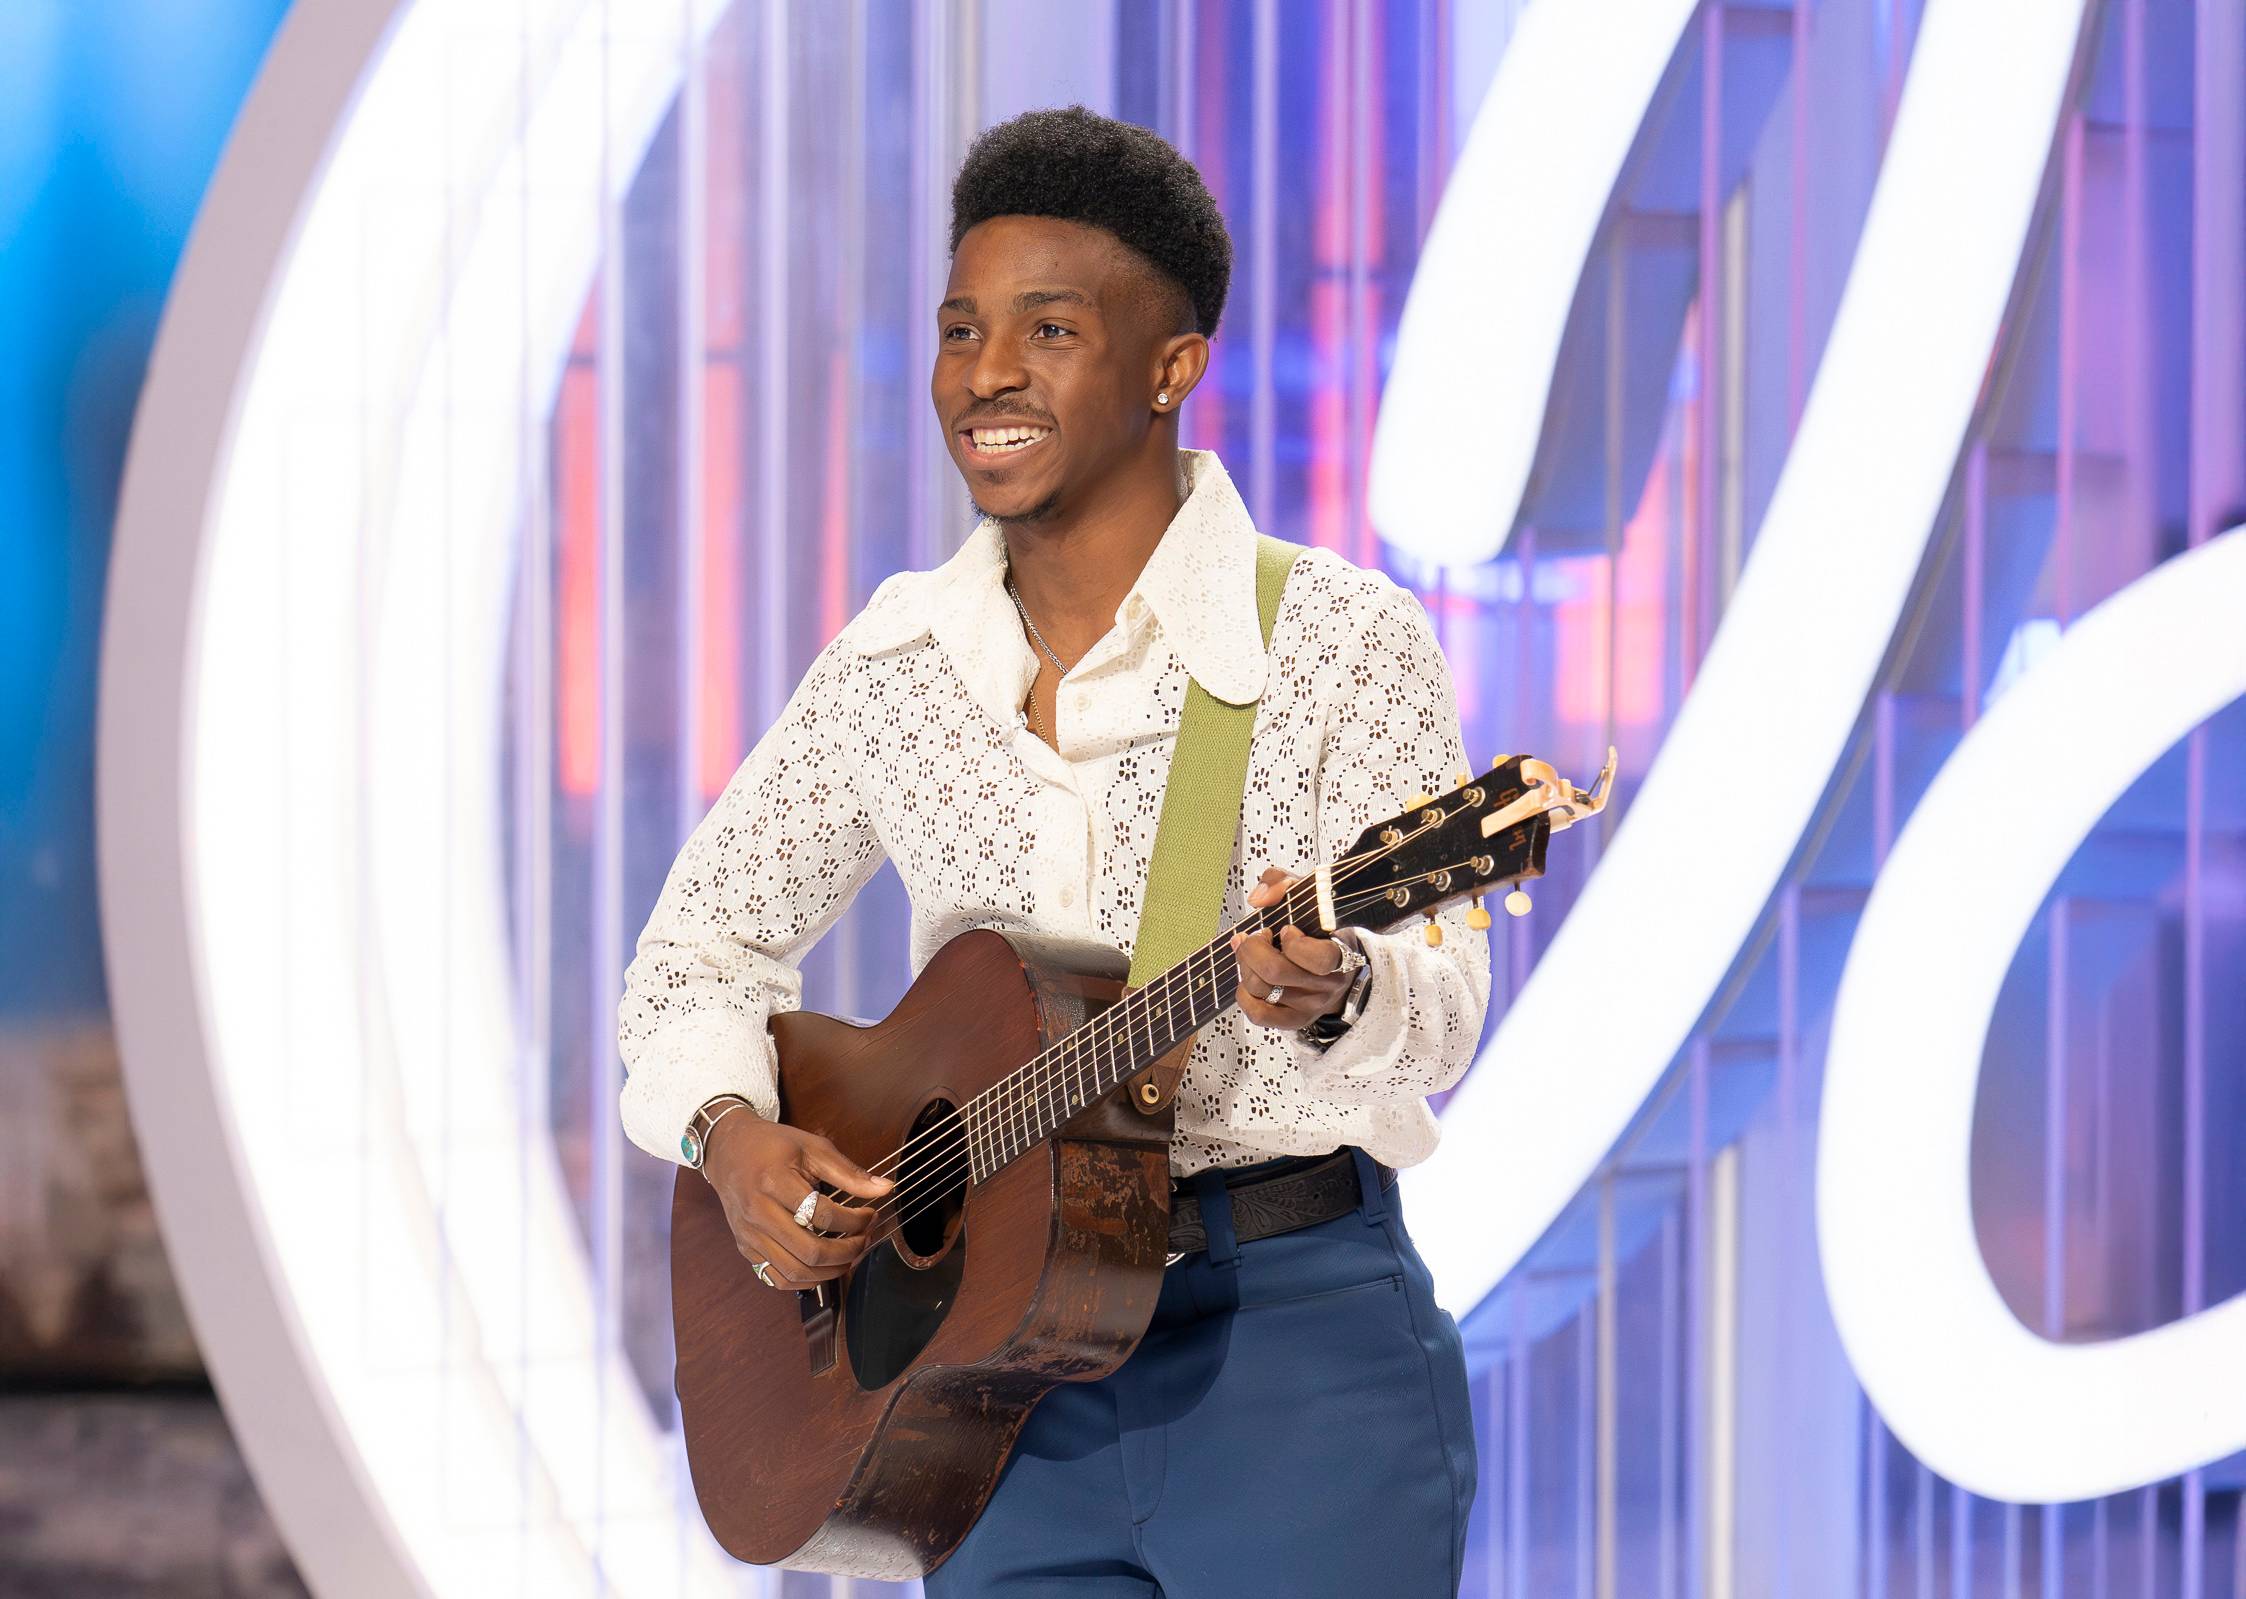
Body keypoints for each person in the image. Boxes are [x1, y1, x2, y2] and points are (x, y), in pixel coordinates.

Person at [616, 104, 1488, 1598]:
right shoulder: (892, 665)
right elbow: (694, 955)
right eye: (962, 330)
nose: (988, 373)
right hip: (987, 1397)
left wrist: (1337, 984)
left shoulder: (1339, 641)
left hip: (1290, 1356)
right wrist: (729, 1133)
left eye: (1050, 327)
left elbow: (1443, 1012)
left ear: (1171, 367)